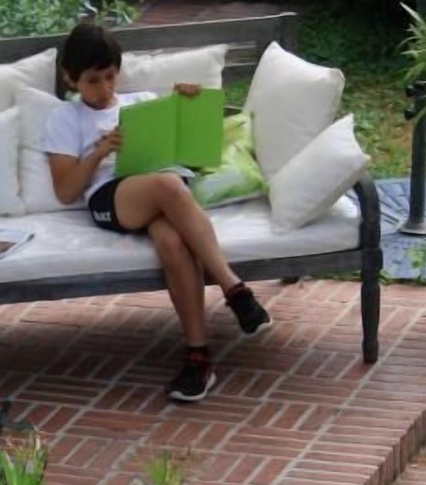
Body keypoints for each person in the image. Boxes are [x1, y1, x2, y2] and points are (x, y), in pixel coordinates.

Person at [41, 22, 272, 403]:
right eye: (93, 81)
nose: (104, 89)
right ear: (70, 78)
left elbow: (195, 154)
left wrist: (189, 106)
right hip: (110, 197)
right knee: (167, 186)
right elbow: (66, 191)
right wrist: (99, 152)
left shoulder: (142, 102)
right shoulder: (64, 119)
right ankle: (234, 289)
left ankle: (198, 358)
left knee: (170, 239)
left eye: (111, 77)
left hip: (165, 185)